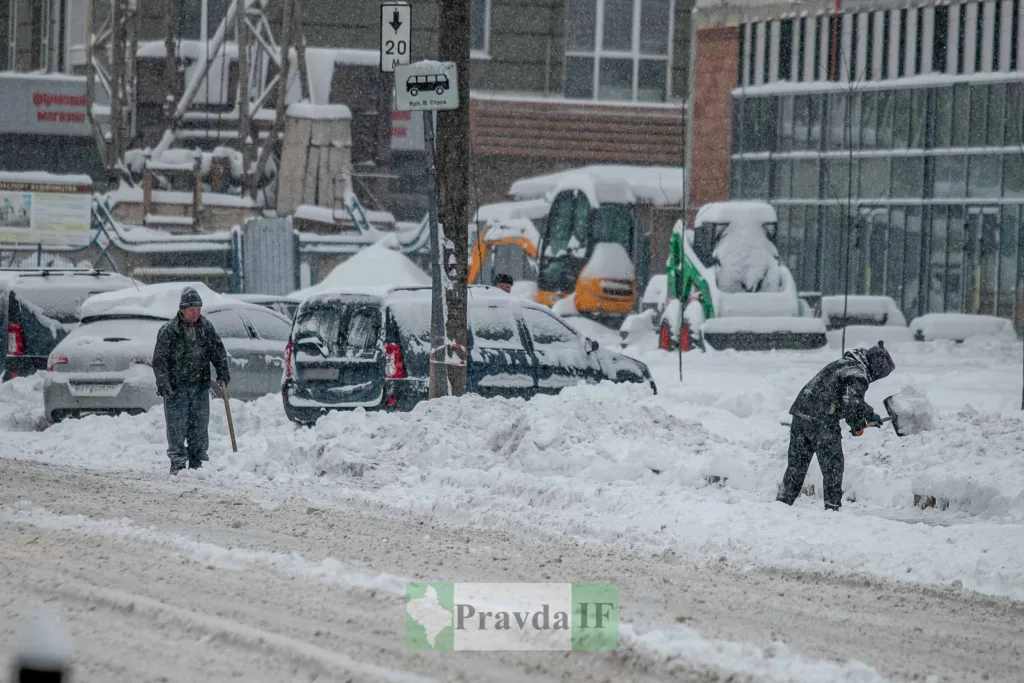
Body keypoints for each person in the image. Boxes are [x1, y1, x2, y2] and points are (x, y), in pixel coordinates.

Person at [777, 341, 895, 511]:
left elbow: (843, 399)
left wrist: (861, 421)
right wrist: (863, 419)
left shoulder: (844, 364)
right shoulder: (857, 373)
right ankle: (832, 509)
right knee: (833, 467)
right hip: (822, 420)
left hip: (801, 413)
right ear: (877, 369)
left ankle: (781, 504)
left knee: (797, 465)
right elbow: (851, 402)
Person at [153, 287, 230, 475]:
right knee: (177, 425)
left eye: (198, 307)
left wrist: (222, 371)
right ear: (182, 310)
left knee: (199, 424)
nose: (195, 311)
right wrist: (163, 383)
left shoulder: (206, 327)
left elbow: (217, 351)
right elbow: (160, 360)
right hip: (176, 387)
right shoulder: (169, 331)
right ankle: (178, 463)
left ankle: (197, 461)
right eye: (191, 308)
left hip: (200, 384)